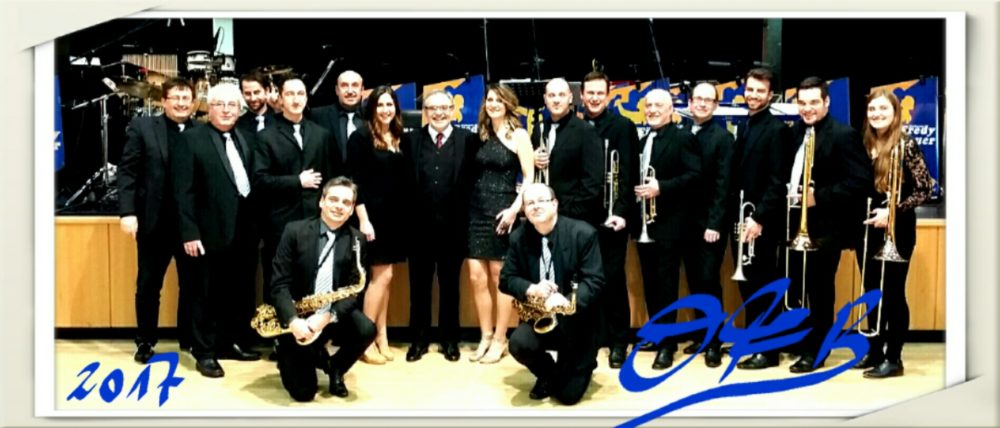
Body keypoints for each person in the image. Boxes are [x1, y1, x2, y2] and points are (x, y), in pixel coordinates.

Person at [172, 83, 262, 378]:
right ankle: (204, 352)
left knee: (235, 291)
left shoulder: (245, 136)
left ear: (240, 109)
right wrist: (189, 233)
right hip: (207, 233)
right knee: (204, 294)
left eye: (232, 105)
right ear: (208, 109)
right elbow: (182, 191)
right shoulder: (191, 139)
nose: (226, 110)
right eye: (219, 104)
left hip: (242, 231)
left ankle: (228, 342)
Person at [784, 76, 871, 374]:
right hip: (796, 225)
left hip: (826, 228)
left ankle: (818, 350)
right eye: (802, 103)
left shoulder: (844, 135)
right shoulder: (796, 131)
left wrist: (817, 197)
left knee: (820, 290)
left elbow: (860, 182)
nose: (807, 108)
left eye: (813, 102)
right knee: (799, 287)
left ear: (827, 102)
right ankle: (804, 341)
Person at [852, 89, 935, 379]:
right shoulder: (863, 143)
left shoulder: (906, 144)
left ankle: (894, 358)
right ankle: (874, 351)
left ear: (895, 112)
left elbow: (925, 188)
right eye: (872, 109)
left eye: (883, 109)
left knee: (893, 294)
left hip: (897, 229)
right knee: (872, 292)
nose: (877, 114)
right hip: (868, 228)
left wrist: (893, 211)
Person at [269, 177, 376, 401]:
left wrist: (329, 316)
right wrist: (293, 321)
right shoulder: (294, 231)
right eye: (333, 199)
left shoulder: (357, 240)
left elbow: (355, 290)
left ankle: (336, 367)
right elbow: (279, 285)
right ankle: (294, 352)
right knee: (304, 393)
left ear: (351, 210)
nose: (339, 206)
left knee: (366, 329)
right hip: (298, 317)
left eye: (346, 203)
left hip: (331, 315)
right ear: (321, 202)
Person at [500, 183, 604, 405]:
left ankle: (581, 365)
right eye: (529, 203)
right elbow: (506, 279)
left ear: (555, 204)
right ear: (524, 210)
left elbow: (594, 281)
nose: (535, 206)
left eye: (542, 201)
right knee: (519, 344)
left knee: (568, 397)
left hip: (576, 321)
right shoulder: (518, 238)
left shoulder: (583, 233)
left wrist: (566, 301)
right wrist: (532, 288)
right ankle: (550, 373)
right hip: (539, 317)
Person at [118, 77, 198, 362]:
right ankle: (145, 341)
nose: (181, 103)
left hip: (190, 226)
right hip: (154, 223)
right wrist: (127, 212)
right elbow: (128, 171)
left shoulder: (201, 131)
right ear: (163, 101)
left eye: (186, 98)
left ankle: (189, 338)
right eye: (175, 98)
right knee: (149, 286)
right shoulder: (143, 127)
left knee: (192, 286)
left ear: (193, 103)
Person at [401, 90, 479, 362]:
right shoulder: (410, 140)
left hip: (454, 229)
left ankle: (450, 340)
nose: (439, 113)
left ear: (453, 110)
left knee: (450, 288)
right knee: (418, 289)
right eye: (432, 108)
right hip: (418, 230)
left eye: (444, 107)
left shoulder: (468, 140)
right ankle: (418, 340)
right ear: (424, 112)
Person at [729, 68, 794, 370]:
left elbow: (778, 182)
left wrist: (759, 218)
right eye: (750, 89)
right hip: (743, 219)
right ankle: (755, 342)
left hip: (760, 224)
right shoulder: (746, 125)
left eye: (760, 91)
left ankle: (768, 352)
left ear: (771, 95)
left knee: (764, 286)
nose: (753, 95)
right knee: (749, 287)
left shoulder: (777, 130)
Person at [632, 89, 700, 370]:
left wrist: (662, 187)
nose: (652, 110)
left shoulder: (683, 137)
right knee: (650, 284)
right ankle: (658, 334)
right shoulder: (644, 139)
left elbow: (695, 177)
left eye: (659, 105)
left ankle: (668, 345)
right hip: (645, 224)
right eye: (648, 105)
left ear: (671, 109)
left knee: (667, 286)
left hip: (670, 225)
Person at [466, 83, 535, 364]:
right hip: (476, 211)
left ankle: (500, 338)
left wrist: (514, 211)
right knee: (476, 276)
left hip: (504, 211)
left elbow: (529, 177)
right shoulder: (480, 134)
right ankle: (485, 335)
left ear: (508, 104)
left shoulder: (519, 134)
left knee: (499, 277)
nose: (493, 104)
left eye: (498, 100)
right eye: (489, 100)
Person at [252, 74, 341, 289]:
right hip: (279, 226)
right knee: (277, 286)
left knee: (312, 286)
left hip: (315, 224)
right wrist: (297, 181)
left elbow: (333, 180)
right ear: (280, 99)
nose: (296, 99)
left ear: (306, 98)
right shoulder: (265, 136)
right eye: (290, 94)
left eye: (300, 93)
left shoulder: (322, 135)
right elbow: (260, 181)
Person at [578, 71, 638, 369]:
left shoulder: (623, 126)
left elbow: (628, 173)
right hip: (580, 218)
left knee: (613, 280)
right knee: (583, 281)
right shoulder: (575, 126)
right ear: (581, 95)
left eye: (599, 93)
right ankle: (590, 338)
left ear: (609, 95)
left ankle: (618, 342)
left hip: (612, 217)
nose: (594, 98)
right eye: (589, 93)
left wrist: (622, 212)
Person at [346, 85, 409, 364]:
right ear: (371, 108)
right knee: (379, 278)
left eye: (389, 104)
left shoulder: (398, 135)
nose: (385, 110)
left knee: (387, 278)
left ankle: (381, 335)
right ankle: (364, 341)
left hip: (395, 218)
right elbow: (355, 181)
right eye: (380, 105)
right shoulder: (360, 137)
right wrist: (363, 219)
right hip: (371, 218)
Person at [678, 82, 733, 368]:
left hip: (710, 225)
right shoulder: (683, 133)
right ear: (689, 103)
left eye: (708, 100)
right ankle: (702, 335)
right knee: (695, 282)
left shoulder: (723, 138)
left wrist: (715, 223)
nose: (701, 103)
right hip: (685, 223)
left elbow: (724, 185)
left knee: (709, 282)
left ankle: (714, 342)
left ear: (715, 105)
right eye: (697, 98)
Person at [530, 78, 604, 226]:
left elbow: (592, 182)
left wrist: (568, 211)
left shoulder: (586, 131)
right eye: (551, 95)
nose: (556, 100)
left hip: (573, 218)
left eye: (561, 95)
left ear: (570, 98)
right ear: (545, 99)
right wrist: (532, 160)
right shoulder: (539, 129)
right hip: (542, 215)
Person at [311, 70, 365, 163]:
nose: (350, 91)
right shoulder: (317, 115)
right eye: (344, 85)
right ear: (337, 90)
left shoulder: (372, 115)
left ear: (362, 90)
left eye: (355, 85)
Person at [237, 70, 276, 135]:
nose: (253, 98)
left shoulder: (280, 120)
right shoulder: (238, 126)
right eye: (247, 93)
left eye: (256, 92)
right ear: (242, 94)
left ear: (267, 91)